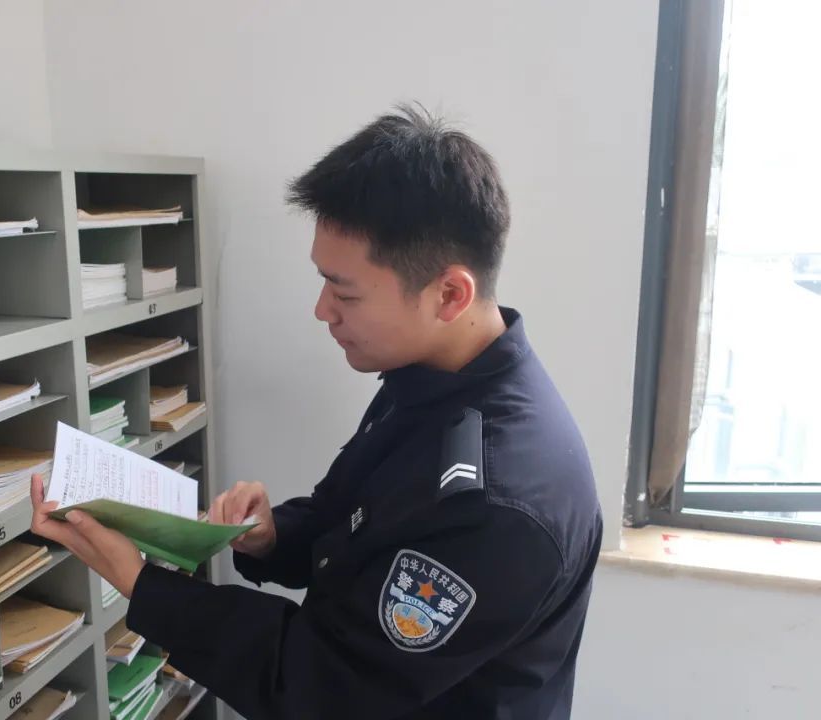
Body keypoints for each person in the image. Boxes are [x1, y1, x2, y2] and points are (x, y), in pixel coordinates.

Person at [30, 104, 602, 719]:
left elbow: (323, 684)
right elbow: (353, 520)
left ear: (449, 294)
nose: (322, 310)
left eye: (345, 292)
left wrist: (142, 584)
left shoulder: (502, 502)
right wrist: (273, 536)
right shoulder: (433, 379)